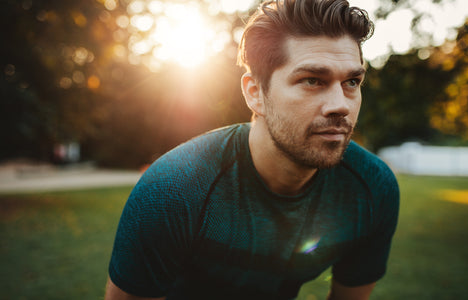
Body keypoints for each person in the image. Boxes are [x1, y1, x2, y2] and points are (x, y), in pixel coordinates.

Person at [105, 0, 399, 299]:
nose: (340, 105)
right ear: (255, 92)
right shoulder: (173, 190)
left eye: (352, 81)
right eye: (312, 80)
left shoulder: (372, 189)